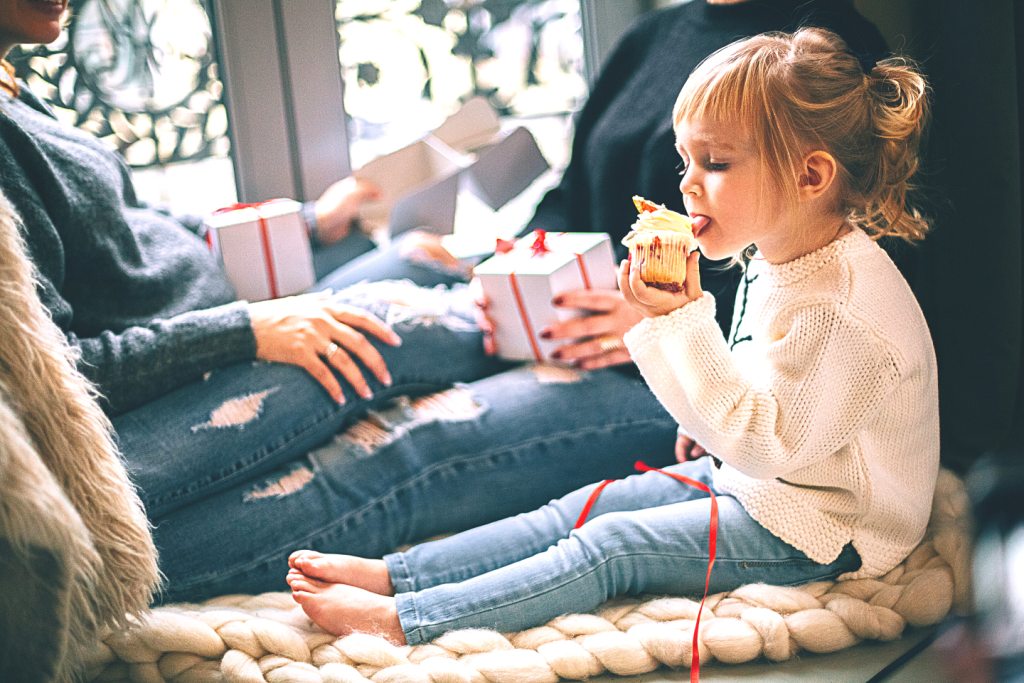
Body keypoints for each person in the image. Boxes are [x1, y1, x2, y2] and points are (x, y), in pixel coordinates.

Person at [0, 0, 891, 604]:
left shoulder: (828, 51)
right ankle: (77, 532)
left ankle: (92, 568)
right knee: (390, 311)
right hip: (577, 310)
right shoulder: (652, 38)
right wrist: (509, 257)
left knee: (417, 431)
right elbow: (572, 201)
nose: (698, 181)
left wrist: (667, 317)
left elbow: (828, 266)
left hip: (679, 367)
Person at [283, 27, 939, 646]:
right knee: (577, 508)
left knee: (612, 548)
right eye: (686, 159)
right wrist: (707, 418)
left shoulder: (838, 308)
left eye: (714, 162)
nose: (686, 183)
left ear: (810, 177)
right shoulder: (780, 251)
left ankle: (408, 617)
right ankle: (403, 574)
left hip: (827, 526)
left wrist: (677, 318)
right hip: (769, 479)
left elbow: (768, 446)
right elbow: (755, 375)